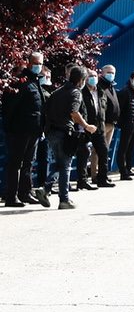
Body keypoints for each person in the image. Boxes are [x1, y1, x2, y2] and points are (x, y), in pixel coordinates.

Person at [42, 65, 96, 209]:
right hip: (65, 132)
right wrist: (86, 126)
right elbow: (74, 113)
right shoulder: (75, 92)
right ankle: (64, 199)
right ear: (81, 80)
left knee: (59, 164)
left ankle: (45, 190)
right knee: (65, 165)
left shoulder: (57, 91)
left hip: (51, 132)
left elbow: (46, 110)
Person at [3, 53, 47, 207]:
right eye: (35, 63)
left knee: (28, 163)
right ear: (28, 63)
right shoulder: (21, 82)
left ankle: (25, 193)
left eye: (40, 63)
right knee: (16, 163)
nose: (38, 66)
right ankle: (11, 196)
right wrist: (10, 128)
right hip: (20, 131)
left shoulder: (35, 82)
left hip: (34, 131)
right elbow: (10, 108)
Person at [75, 70, 112, 190]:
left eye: (95, 76)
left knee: (103, 152)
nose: (93, 78)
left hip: (99, 127)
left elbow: (103, 108)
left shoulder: (101, 92)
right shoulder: (81, 92)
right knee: (84, 154)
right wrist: (84, 125)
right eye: (91, 76)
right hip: (85, 127)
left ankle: (102, 179)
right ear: (86, 78)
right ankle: (82, 181)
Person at [95, 64, 120, 183]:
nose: (111, 75)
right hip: (103, 123)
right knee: (99, 150)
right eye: (108, 72)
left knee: (105, 150)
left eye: (113, 73)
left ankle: (103, 172)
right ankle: (95, 174)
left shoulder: (111, 86)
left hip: (112, 123)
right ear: (102, 73)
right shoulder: (100, 86)